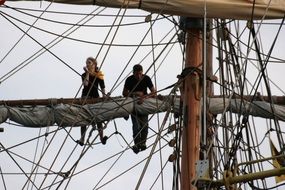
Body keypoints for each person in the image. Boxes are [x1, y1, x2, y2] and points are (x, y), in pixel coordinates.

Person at [123, 64, 156, 153]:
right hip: (133, 104)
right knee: (136, 126)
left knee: (144, 125)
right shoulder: (129, 80)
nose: (138, 76)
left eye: (140, 74)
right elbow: (124, 93)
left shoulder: (146, 78)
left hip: (144, 104)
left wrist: (143, 97)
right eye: (136, 74)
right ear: (133, 73)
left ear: (142, 72)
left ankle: (143, 143)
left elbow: (154, 92)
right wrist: (136, 93)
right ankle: (137, 144)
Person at [77, 57, 108, 146]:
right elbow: (86, 84)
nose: (87, 64)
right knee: (83, 117)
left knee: (98, 118)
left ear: (94, 64)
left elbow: (102, 86)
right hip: (85, 97)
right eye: (86, 63)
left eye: (89, 63)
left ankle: (102, 138)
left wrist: (104, 96)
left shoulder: (98, 75)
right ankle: (82, 139)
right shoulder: (84, 75)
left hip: (95, 97)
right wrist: (87, 73)